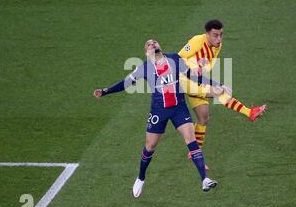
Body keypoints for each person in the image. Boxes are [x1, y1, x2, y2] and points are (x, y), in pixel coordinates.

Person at [93, 39, 225, 198]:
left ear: (160, 46)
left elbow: (194, 76)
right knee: (150, 146)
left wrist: (216, 84)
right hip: (158, 111)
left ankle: (204, 179)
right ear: (146, 52)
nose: (153, 43)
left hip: (179, 108)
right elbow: (125, 83)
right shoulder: (144, 68)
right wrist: (105, 91)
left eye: (154, 42)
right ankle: (141, 177)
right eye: (149, 44)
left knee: (191, 140)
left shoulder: (175, 59)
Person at [178, 19, 266, 166]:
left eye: (221, 35)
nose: (218, 39)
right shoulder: (196, 41)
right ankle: (248, 113)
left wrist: (203, 71)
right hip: (184, 80)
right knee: (218, 92)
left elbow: (210, 63)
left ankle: (195, 153)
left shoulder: (217, 46)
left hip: (197, 80)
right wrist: (193, 68)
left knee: (203, 117)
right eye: (215, 35)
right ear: (207, 34)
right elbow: (178, 58)